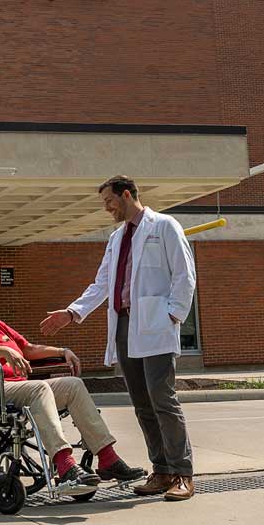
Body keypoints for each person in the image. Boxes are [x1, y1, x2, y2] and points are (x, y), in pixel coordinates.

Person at [41, 175, 197, 501]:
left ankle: (183, 473)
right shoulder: (115, 239)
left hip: (155, 326)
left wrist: (172, 315)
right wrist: (71, 313)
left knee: (163, 400)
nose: (107, 207)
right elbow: (100, 285)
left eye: (109, 201)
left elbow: (184, 274)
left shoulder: (164, 226)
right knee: (142, 404)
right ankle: (162, 470)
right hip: (125, 327)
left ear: (126, 195)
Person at [0, 269, 145, 493]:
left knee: (73, 385)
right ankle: (65, 464)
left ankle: (108, 459)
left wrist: (62, 351)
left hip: (21, 388)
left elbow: (27, 349)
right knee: (38, 388)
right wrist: (3, 351)